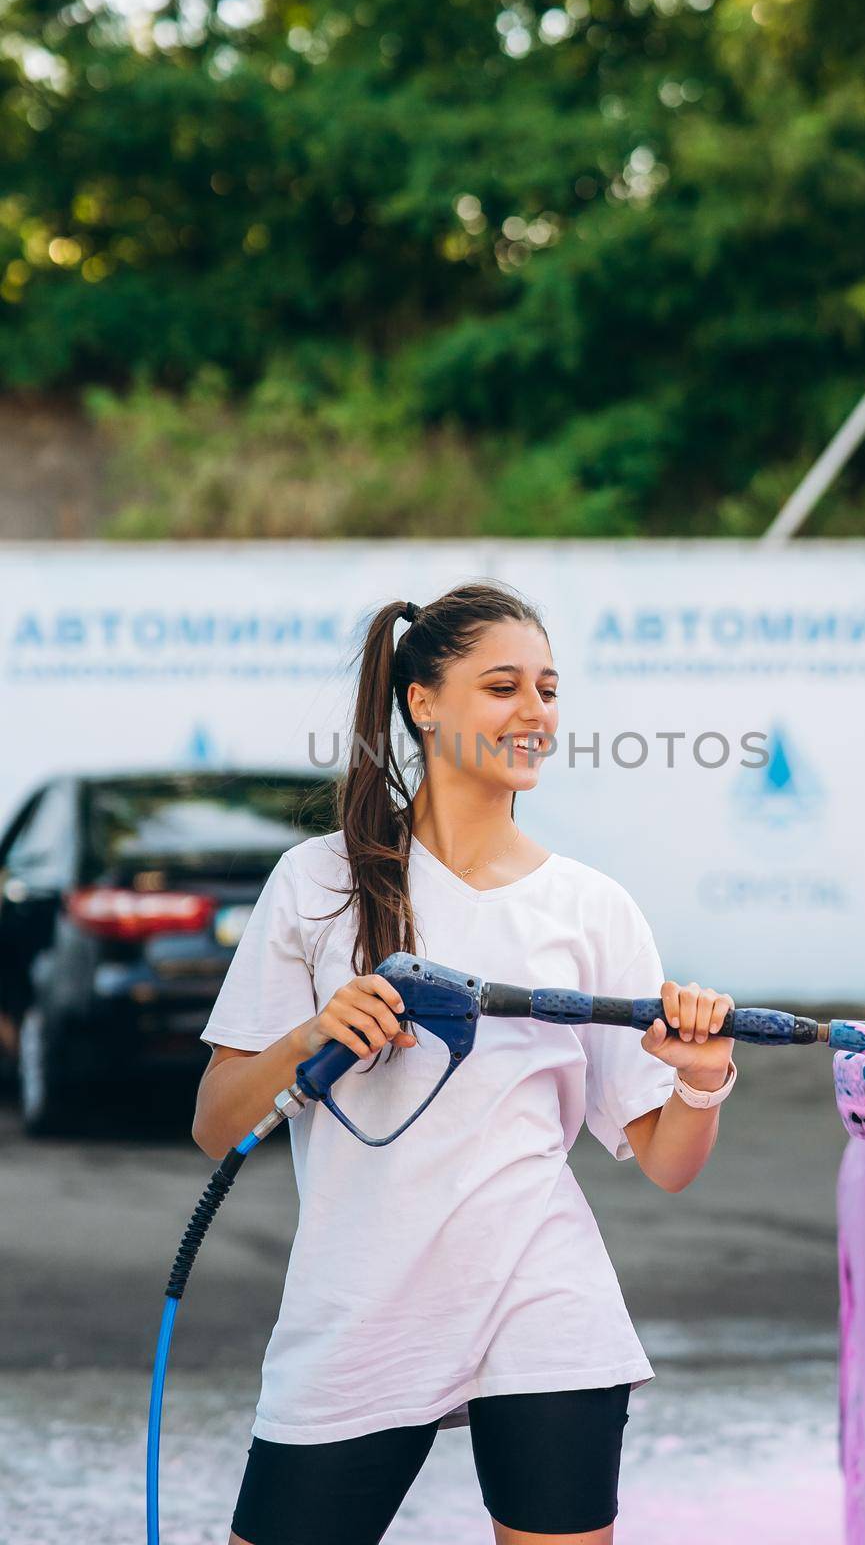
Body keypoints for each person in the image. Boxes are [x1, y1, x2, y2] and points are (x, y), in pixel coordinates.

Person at [192, 579, 738, 1545]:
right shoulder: (319, 882)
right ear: (422, 702)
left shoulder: (591, 907)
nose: (535, 713)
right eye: (502, 687)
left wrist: (699, 1077)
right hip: (361, 1302)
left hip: (543, 1294)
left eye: (550, 689)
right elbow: (216, 1126)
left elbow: (667, 1159)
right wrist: (311, 1033)